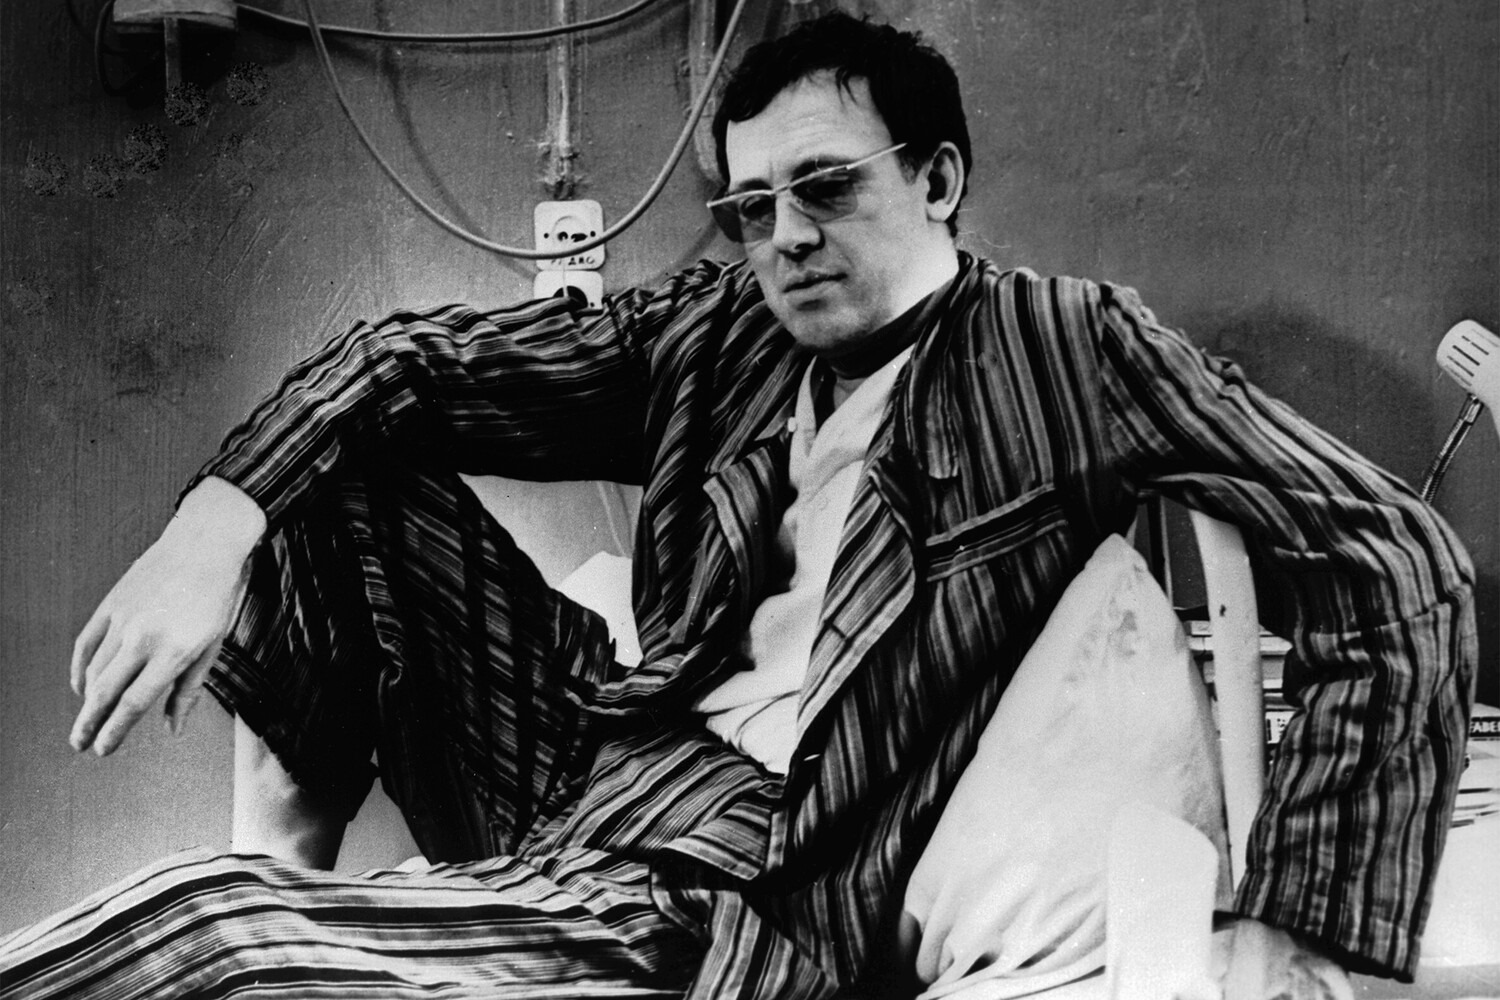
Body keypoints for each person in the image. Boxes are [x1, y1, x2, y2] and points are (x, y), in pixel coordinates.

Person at [0, 12, 1475, 1000]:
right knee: (341, 466)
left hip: (747, 875)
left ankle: (316, 928)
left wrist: (1299, 923)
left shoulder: (1063, 348)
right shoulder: (721, 327)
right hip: (596, 761)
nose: (784, 240)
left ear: (939, 178)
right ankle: (311, 885)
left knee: (212, 944)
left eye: (825, 190)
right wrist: (213, 526)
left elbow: (1396, 559)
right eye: (752, 208)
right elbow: (408, 362)